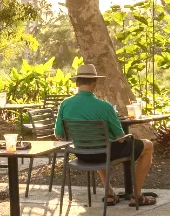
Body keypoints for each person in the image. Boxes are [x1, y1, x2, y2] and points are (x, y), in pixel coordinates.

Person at [55, 64, 155, 206]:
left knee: (98, 144)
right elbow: (120, 138)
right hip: (103, 153)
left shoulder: (65, 104)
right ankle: (137, 195)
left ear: (77, 82)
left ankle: (109, 193)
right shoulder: (105, 106)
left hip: (82, 153)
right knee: (148, 146)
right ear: (95, 82)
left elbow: (59, 135)